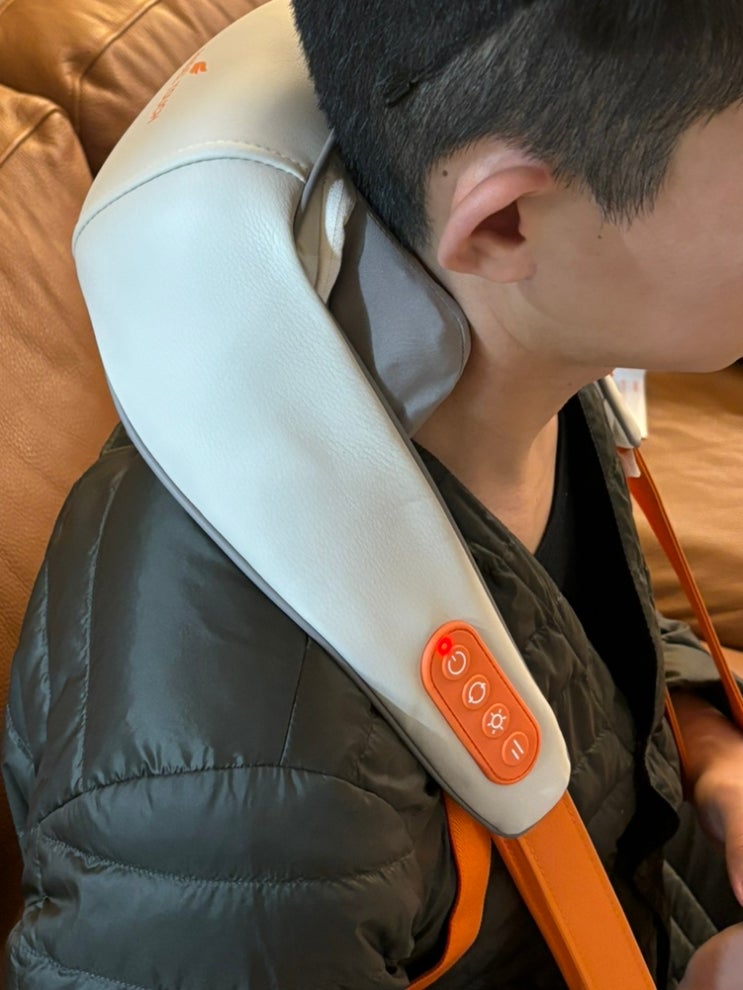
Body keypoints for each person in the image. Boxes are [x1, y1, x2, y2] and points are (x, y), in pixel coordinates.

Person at [4, 1, 743, 987]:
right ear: (505, 220)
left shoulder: (507, 324)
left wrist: (705, 747)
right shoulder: (248, 798)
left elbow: (556, 636)